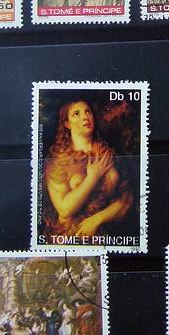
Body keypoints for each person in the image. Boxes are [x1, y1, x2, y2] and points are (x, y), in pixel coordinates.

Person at [42, 98, 132, 241]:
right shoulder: (58, 160)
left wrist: (96, 220)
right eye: (76, 114)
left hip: (105, 233)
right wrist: (93, 177)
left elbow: (126, 200)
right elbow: (64, 210)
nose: (85, 117)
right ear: (67, 124)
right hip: (70, 235)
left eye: (88, 111)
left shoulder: (107, 153)